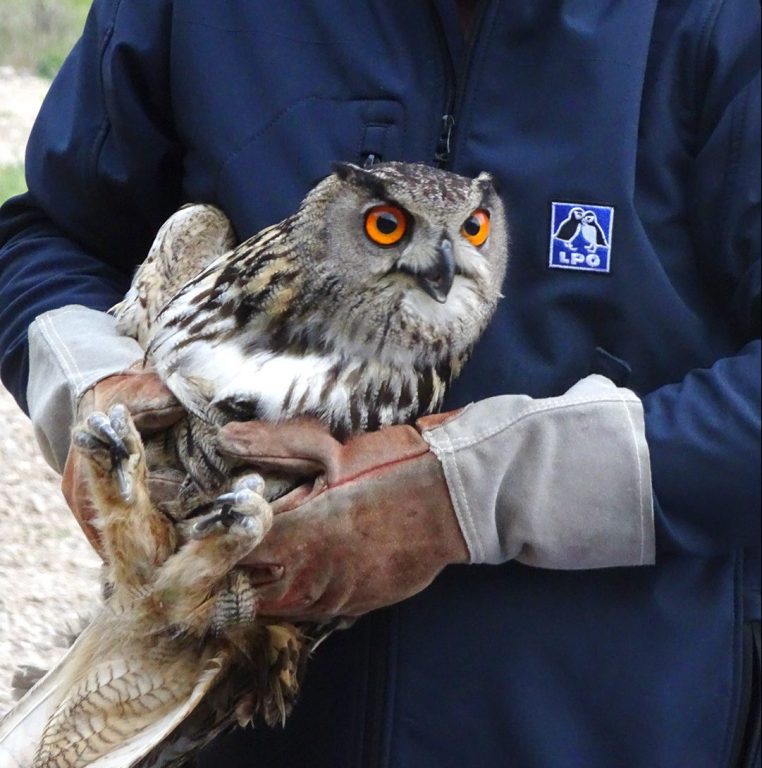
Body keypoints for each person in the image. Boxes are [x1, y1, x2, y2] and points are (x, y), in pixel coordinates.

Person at [0, 1, 759, 766]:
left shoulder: (718, 25)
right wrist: (95, 390)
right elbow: (48, 235)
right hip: (256, 726)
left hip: (602, 721)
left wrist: (466, 494)